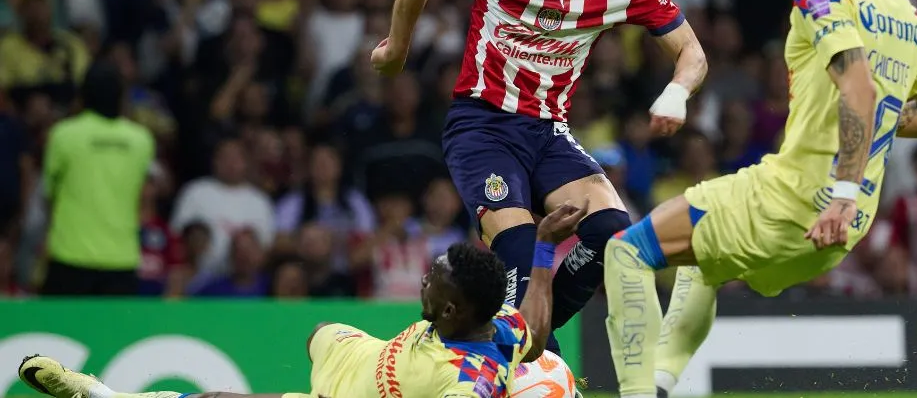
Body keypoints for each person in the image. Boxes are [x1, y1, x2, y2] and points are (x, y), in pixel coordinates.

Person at [602, 0, 917, 398]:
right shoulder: (905, 11)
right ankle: (658, 384)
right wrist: (865, 165)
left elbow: (858, 91)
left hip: (799, 202)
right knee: (703, 263)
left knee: (627, 252)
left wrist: (839, 194)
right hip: (848, 223)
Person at [371, 0, 708, 354]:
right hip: (481, 127)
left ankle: (524, 339)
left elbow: (692, 52)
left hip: (549, 132)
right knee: (522, 250)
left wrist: (676, 93)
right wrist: (397, 47)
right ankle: (519, 347)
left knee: (614, 232)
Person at [18, 204, 586, 398]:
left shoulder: (471, 382)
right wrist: (541, 250)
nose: (422, 282)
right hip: (362, 355)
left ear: (449, 311)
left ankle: (97, 392)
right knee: (317, 331)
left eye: (431, 282)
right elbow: (535, 330)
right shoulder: (504, 330)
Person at [39, 61, 155, 295]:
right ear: (122, 96)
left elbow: (48, 196)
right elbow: (143, 196)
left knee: (64, 331)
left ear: (82, 95)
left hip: (69, 255)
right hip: (121, 259)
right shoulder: (141, 140)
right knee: (116, 333)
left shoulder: (63, 135)